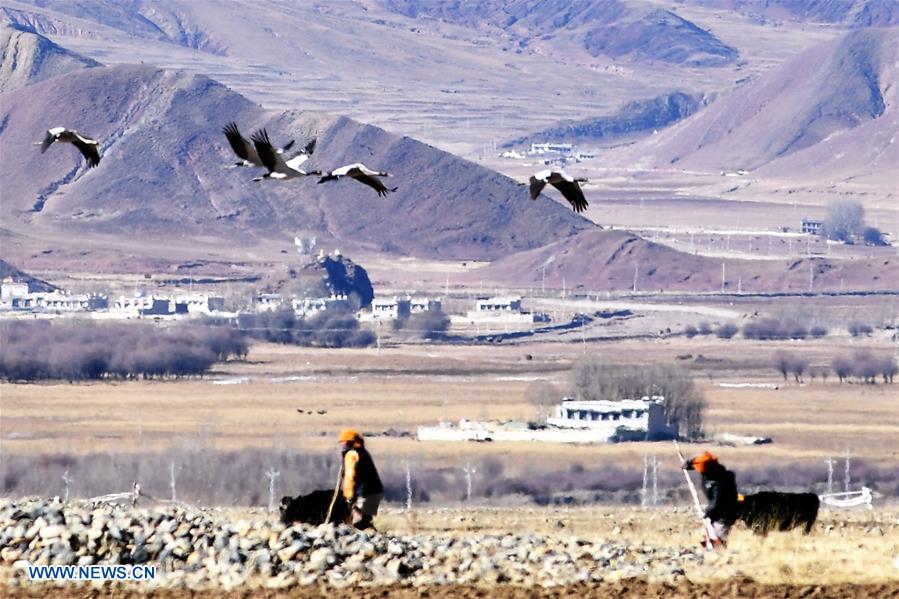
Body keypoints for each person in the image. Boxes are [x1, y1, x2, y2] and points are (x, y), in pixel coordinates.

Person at [683, 451, 738, 548]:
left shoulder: (719, 482)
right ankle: (710, 550)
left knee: (718, 537)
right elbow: (699, 463)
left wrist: (708, 513)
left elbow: (718, 501)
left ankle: (719, 555)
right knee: (708, 534)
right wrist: (689, 464)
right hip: (716, 512)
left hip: (724, 514)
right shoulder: (711, 471)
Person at [339, 428, 383, 530]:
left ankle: (368, 541)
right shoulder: (363, 452)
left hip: (364, 493)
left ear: (350, 442)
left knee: (358, 523)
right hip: (375, 492)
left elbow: (350, 477)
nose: (342, 445)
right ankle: (375, 539)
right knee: (365, 521)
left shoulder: (352, 455)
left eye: (344, 442)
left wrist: (348, 497)